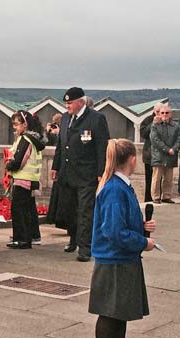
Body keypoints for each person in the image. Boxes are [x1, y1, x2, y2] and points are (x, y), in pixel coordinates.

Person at [89, 139, 155, 338]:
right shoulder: (116, 189)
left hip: (120, 260)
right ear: (132, 159)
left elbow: (118, 224)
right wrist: (142, 242)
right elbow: (114, 231)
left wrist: (141, 227)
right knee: (110, 315)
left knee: (119, 316)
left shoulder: (118, 186)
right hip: (114, 261)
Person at [51, 87, 109, 262]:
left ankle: (85, 248)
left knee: (85, 211)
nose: (67, 106)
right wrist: (55, 166)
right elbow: (61, 145)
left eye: (70, 103)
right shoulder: (66, 118)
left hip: (87, 174)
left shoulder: (96, 119)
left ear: (81, 102)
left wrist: (101, 173)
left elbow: (102, 148)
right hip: (68, 173)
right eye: (66, 103)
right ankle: (73, 239)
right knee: (70, 210)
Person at [6, 111, 44, 249]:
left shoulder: (25, 140)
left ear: (25, 124)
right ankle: (29, 236)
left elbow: (19, 161)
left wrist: (9, 165)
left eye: (16, 124)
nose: (14, 128)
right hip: (31, 180)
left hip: (22, 179)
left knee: (18, 210)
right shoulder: (35, 140)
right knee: (28, 210)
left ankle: (21, 239)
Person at [150, 104, 180, 204]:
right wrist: (167, 149)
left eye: (167, 113)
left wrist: (174, 148)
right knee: (156, 178)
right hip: (159, 155)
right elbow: (155, 140)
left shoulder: (176, 126)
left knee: (168, 178)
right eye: (162, 113)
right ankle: (155, 197)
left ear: (170, 114)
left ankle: (166, 196)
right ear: (159, 113)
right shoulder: (155, 125)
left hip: (171, 156)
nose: (164, 115)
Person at [140, 103, 162, 202]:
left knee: (159, 180)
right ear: (154, 110)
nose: (159, 114)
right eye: (157, 112)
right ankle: (148, 200)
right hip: (149, 155)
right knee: (149, 180)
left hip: (161, 155)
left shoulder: (165, 120)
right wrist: (152, 124)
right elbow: (143, 134)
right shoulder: (147, 120)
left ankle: (158, 197)